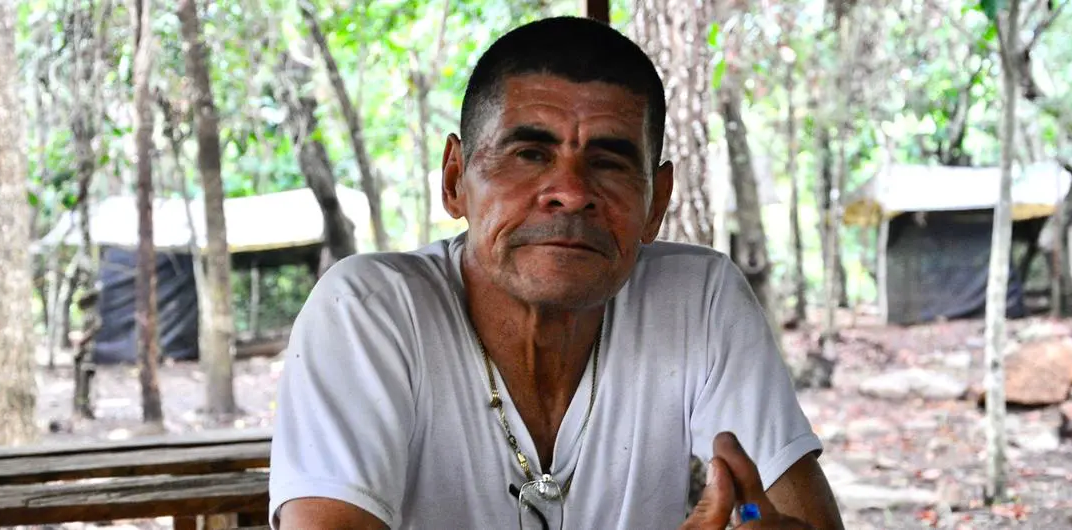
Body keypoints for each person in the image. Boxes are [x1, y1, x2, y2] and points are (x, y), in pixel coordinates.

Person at [269, 16, 843, 530]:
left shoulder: (697, 299)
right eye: (529, 154)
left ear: (656, 202)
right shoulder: (369, 311)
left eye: (610, 161)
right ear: (455, 180)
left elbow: (796, 516)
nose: (571, 193)